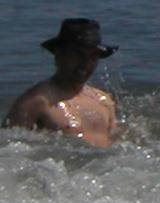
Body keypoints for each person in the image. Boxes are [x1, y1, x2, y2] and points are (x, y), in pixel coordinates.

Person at [7, 18, 119, 146]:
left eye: (93, 57)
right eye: (78, 55)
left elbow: (117, 146)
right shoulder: (36, 102)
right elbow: (6, 148)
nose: (85, 63)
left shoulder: (104, 101)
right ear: (58, 55)